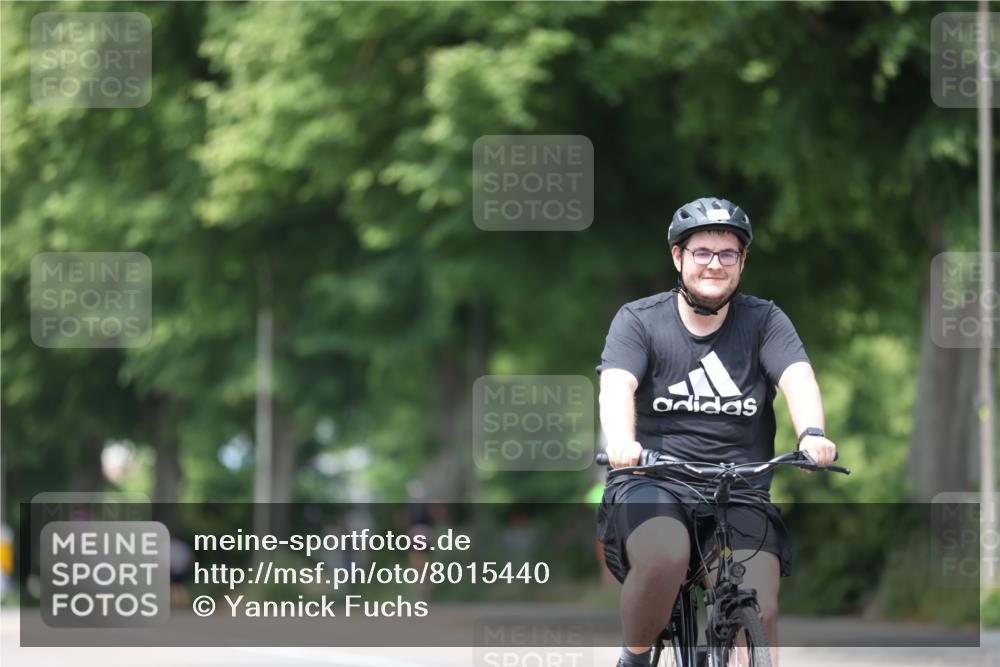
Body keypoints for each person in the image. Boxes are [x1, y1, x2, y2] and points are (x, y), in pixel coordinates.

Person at [595, 196, 837, 667]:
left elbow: (798, 377)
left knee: (760, 607)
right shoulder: (639, 320)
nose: (715, 264)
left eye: (728, 254)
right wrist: (622, 442)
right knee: (664, 556)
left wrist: (812, 432)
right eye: (702, 252)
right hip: (653, 480)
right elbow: (617, 385)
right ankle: (636, 657)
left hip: (739, 486)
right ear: (678, 257)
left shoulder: (765, 321)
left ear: (742, 261)